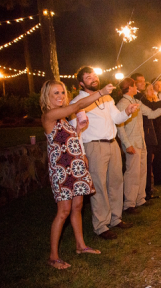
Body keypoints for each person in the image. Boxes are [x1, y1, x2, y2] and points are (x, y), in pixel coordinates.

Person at [40, 80, 113, 269]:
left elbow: (69, 141)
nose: (60, 96)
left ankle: (81, 246)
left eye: (62, 93)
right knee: (63, 211)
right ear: (47, 96)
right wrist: (101, 93)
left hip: (76, 166)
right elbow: (79, 105)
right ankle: (53, 256)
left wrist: (78, 131)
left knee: (78, 206)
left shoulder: (64, 119)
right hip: (62, 170)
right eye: (55, 93)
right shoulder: (49, 115)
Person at [69, 67, 139, 240]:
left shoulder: (107, 98)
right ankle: (101, 225)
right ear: (81, 83)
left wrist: (127, 112)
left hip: (112, 144)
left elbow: (116, 118)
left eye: (94, 75)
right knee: (99, 186)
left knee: (116, 182)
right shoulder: (78, 102)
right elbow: (75, 130)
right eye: (88, 77)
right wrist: (82, 153)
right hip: (94, 146)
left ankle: (116, 218)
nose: (93, 78)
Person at [116, 78, 161, 213]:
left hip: (141, 141)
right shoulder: (122, 104)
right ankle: (129, 204)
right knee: (132, 174)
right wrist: (127, 144)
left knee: (141, 172)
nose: (137, 88)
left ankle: (140, 199)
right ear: (130, 88)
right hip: (132, 143)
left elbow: (151, 114)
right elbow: (119, 127)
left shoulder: (136, 101)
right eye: (135, 86)